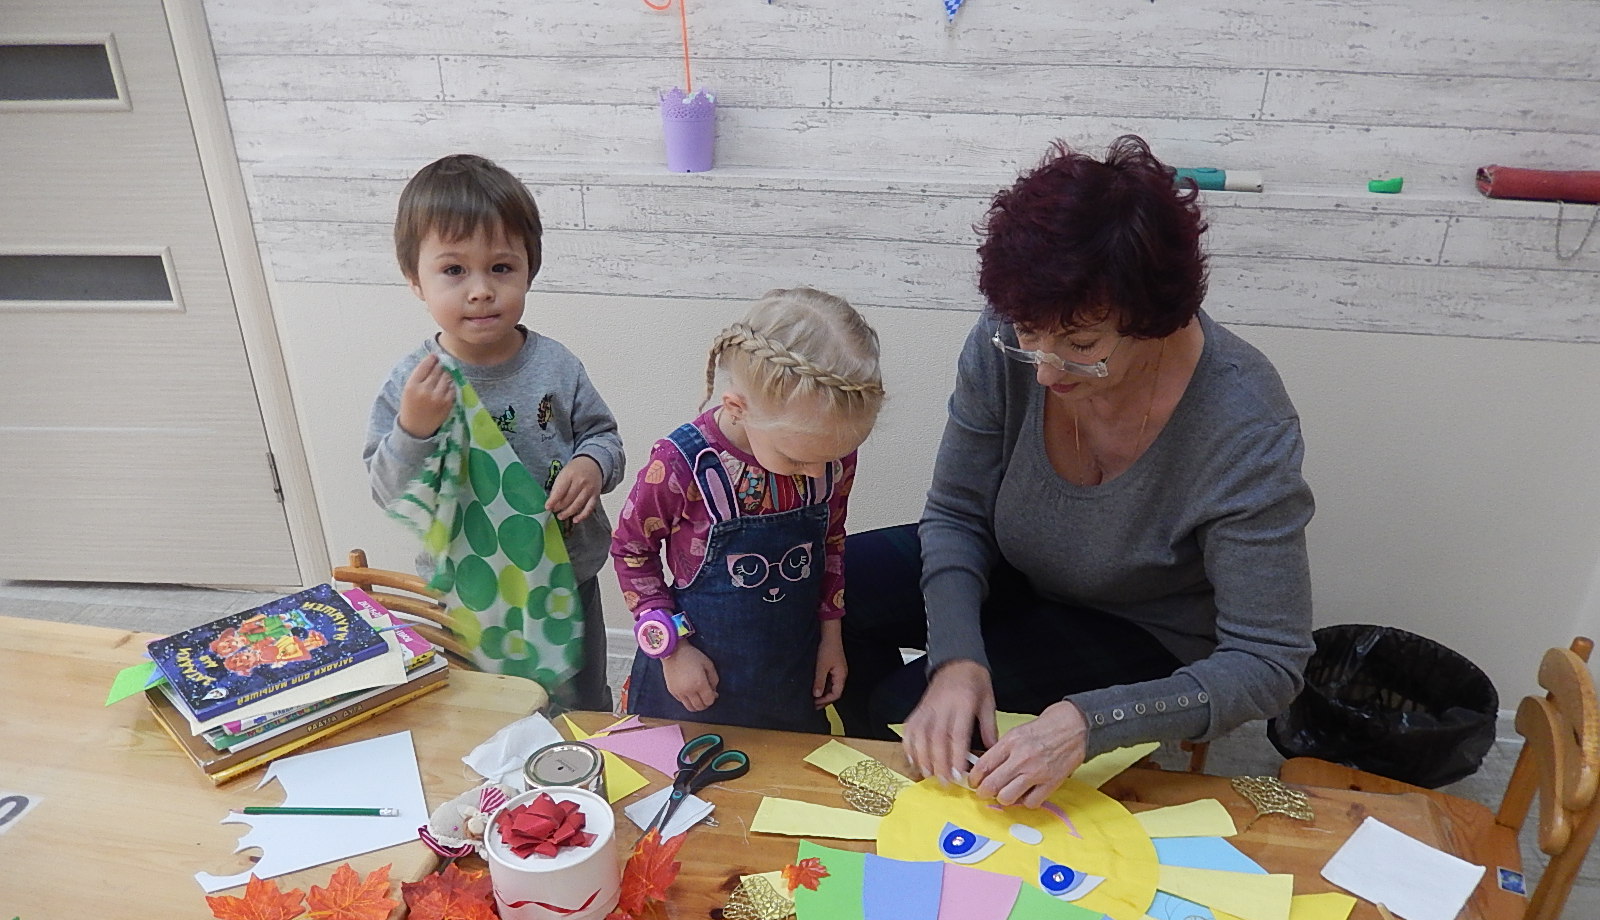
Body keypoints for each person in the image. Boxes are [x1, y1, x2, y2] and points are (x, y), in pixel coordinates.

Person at [837, 135, 1314, 806]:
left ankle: (930, 804)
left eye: (1081, 345)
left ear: (1154, 320)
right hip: (1021, 566)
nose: (1046, 370)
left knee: (905, 710)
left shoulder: (1243, 421)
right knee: (824, 591)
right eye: (1029, 337)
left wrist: (1090, 722)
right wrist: (956, 657)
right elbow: (956, 514)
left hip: (1143, 626)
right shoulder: (1013, 335)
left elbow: (1270, 662)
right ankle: (878, 786)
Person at [363, 153, 624, 709]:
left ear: (530, 269)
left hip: (566, 578)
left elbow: (605, 438)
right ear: (415, 279)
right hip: (469, 592)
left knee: (581, 706)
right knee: (485, 708)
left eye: (501, 268)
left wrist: (591, 465)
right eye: (454, 270)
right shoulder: (415, 383)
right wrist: (414, 428)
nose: (480, 290)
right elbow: (390, 493)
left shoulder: (555, 365)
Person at [611, 287, 886, 733]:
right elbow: (631, 550)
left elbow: (832, 543)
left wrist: (831, 638)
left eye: (832, 457)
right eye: (796, 459)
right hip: (694, 680)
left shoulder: (829, 456)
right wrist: (672, 650)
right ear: (738, 409)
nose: (817, 472)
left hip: (788, 673)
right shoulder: (680, 465)